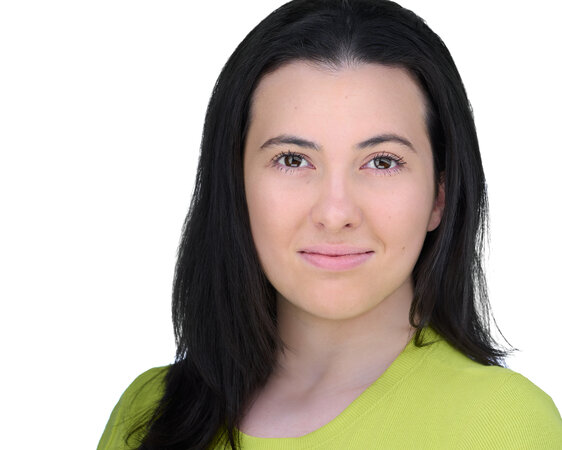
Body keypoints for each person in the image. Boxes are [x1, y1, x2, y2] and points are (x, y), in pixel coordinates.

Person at [98, 0, 562, 448]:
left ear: (439, 196)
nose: (336, 214)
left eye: (382, 162)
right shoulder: (148, 414)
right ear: (234, 185)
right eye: (292, 160)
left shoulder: (503, 424)